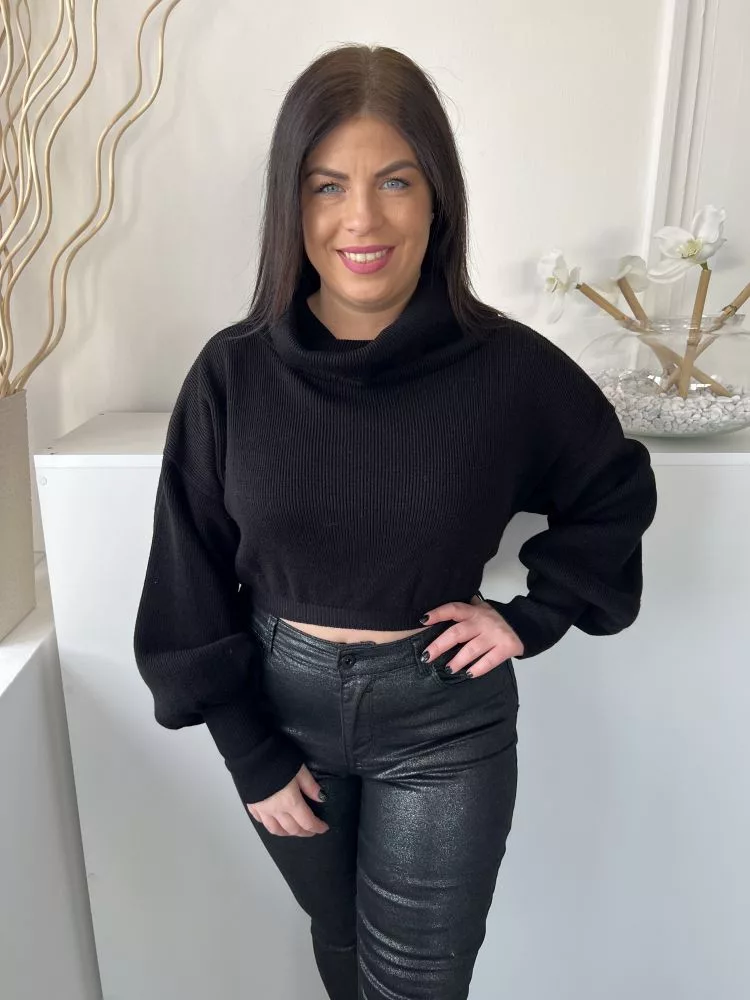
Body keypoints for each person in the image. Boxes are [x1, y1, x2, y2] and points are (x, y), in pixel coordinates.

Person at [133, 42, 658, 1000]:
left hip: (440, 725)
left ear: (438, 199)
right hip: (277, 712)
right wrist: (249, 753)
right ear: (292, 205)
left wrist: (533, 617)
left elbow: (613, 488)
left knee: (414, 982)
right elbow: (190, 572)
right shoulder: (232, 372)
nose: (362, 219)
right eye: (327, 185)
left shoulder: (509, 370)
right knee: (339, 948)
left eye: (396, 181)